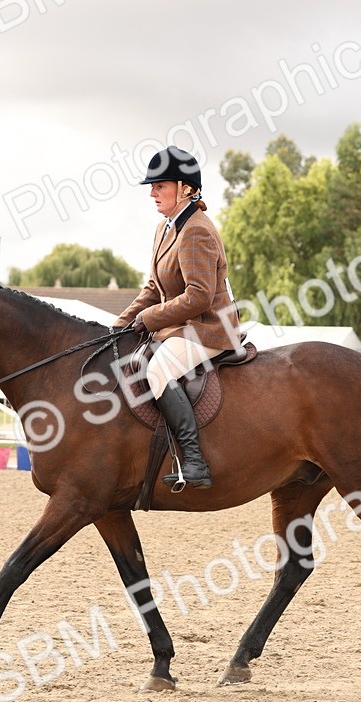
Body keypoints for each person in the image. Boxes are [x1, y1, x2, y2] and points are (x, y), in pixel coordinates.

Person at [113, 146, 241, 491]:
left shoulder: (196, 229)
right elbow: (154, 287)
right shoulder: (164, 229)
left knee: (157, 370)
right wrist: (117, 326)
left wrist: (150, 318)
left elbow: (199, 296)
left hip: (209, 327)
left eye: (159, 186)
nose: (152, 193)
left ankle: (195, 460)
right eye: (151, 187)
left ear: (185, 188)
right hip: (180, 326)